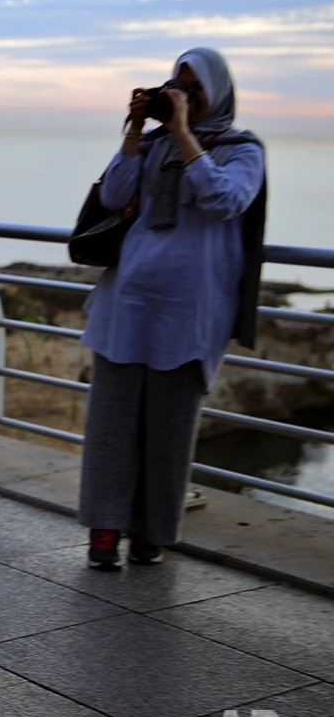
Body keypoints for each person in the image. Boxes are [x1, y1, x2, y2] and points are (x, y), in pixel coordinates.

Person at [81, 47, 267, 569]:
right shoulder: (155, 144)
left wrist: (185, 134)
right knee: (111, 427)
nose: (179, 94)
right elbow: (115, 195)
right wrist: (137, 131)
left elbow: (225, 199)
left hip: (190, 312)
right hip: (128, 304)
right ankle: (103, 530)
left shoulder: (241, 149)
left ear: (217, 94)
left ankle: (150, 533)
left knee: (169, 431)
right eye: (174, 83)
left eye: (192, 86)